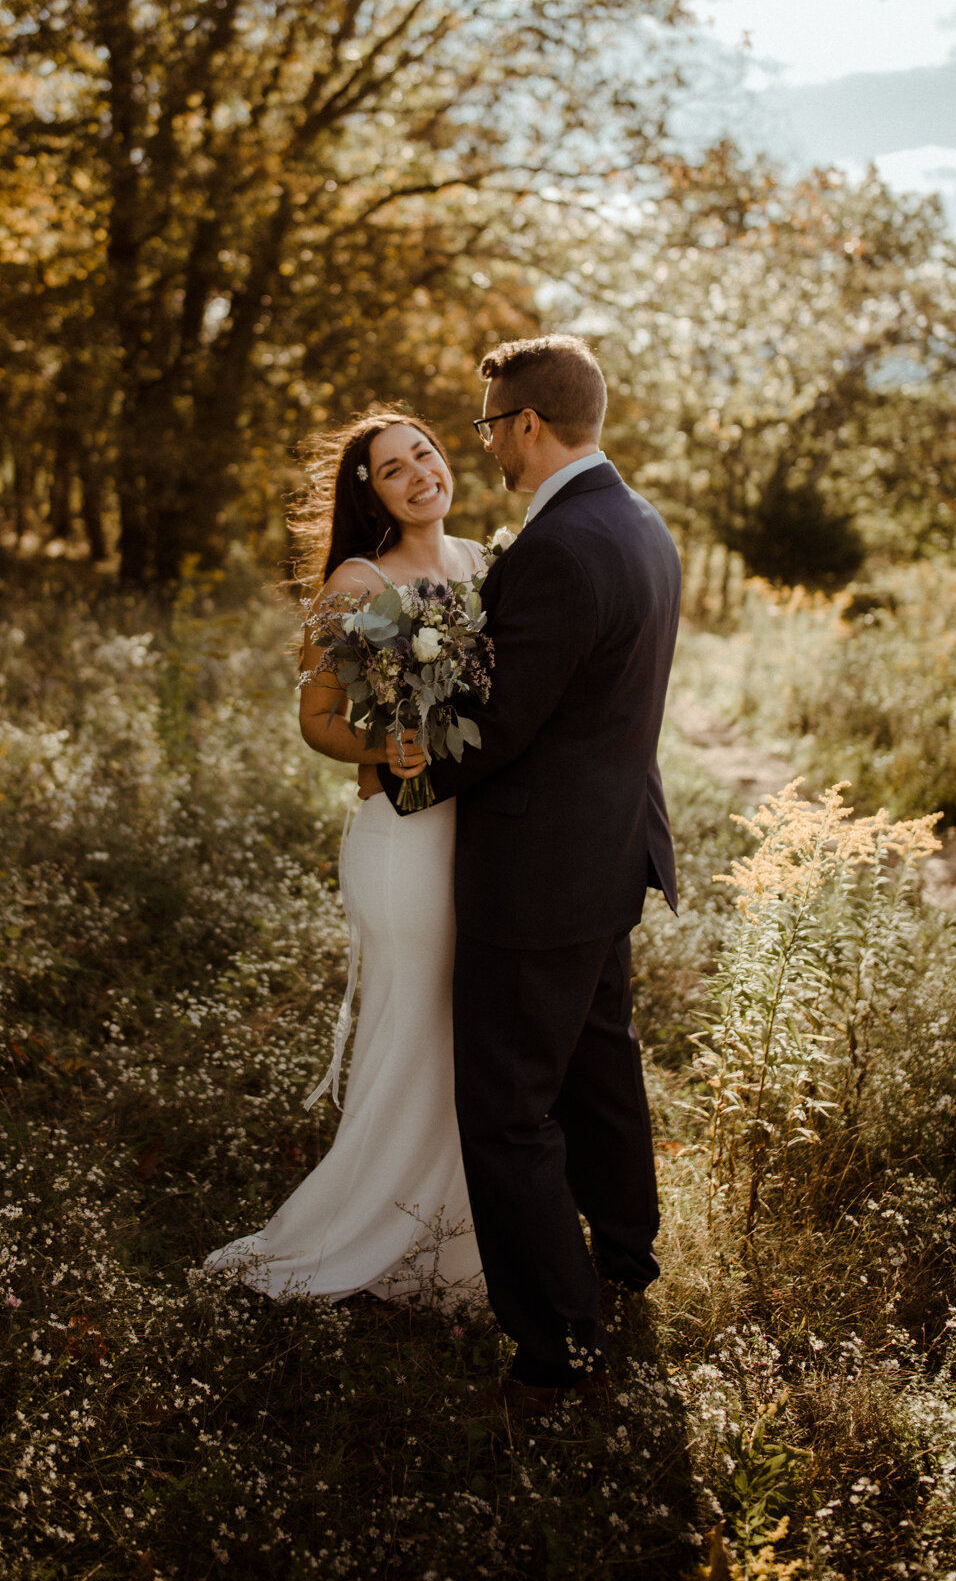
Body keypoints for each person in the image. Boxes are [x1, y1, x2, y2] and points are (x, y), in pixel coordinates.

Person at [375, 335, 680, 1412]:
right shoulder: (642, 524)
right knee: (600, 1062)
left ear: (528, 426)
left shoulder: (556, 548)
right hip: (611, 854)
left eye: (489, 425)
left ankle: (558, 1345)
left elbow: (501, 725)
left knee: (508, 1105)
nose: (486, 445)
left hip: (542, 870)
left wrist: (399, 774)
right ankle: (629, 1254)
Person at [203, 405, 485, 1306]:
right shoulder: (356, 583)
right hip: (401, 839)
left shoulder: (481, 564)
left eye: (425, 454)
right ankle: (361, 1232)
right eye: (392, 469)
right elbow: (315, 718)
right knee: (409, 1032)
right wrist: (382, 750)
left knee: (457, 1038)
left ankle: (447, 1243)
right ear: (369, 491)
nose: (418, 475)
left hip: (474, 837)